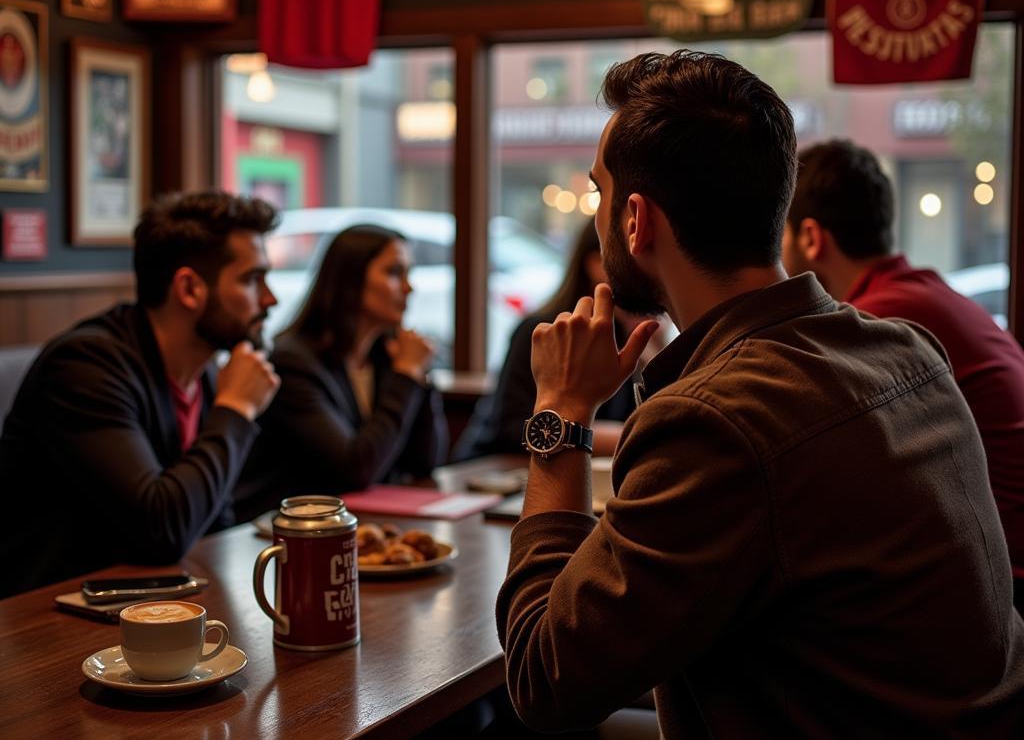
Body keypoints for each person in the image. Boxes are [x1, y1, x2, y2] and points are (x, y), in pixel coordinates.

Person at [410, 51, 1024, 740]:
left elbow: (542, 676)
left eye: (601, 195)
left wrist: (559, 414)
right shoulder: (905, 348)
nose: (597, 217)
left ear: (637, 222)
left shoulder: (720, 419)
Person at [0, 191, 281, 598]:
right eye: (251, 279)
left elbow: (213, 520)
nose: (270, 298)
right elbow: (161, 530)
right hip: (44, 622)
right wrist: (237, 410)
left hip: (148, 605)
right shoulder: (85, 366)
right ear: (189, 289)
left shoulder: (202, 374)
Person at [782, 138, 1024, 609]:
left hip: (1005, 584)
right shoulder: (924, 293)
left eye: (781, 236)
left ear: (811, 237)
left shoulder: (876, 323)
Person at [234, 224, 448, 520]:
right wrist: (407, 374)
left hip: (353, 525)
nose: (409, 288)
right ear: (351, 279)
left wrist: (419, 376)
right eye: (394, 273)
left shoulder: (384, 357)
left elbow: (424, 461)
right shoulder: (293, 362)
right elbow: (355, 469)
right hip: (287, 535)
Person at [454, 223, 665, 461]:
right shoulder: (544, 331)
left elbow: (638, 422)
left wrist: (653, 362)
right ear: (597, 264)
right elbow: (511, 429)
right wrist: (624, 437)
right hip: (493, 473)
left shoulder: (627, 334)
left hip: (575, 471)